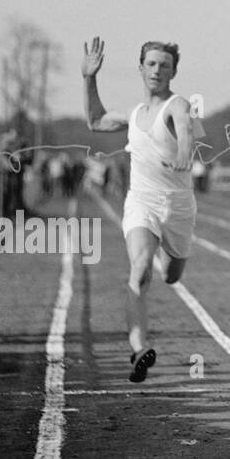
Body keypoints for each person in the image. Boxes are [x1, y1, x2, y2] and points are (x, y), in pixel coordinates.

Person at [82, 37, 204, 383]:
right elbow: (95, 121)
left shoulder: (179, 105)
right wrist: (89, 78)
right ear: (140, 68)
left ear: (174, 71)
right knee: (139, 271)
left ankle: (168, 257)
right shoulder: (135, 115)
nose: (157, 70)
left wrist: (183, 155)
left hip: (178, 207)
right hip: (142, 203)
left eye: (164, 65)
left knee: (171, 276)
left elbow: (187, 131)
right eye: (151, 63)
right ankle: (139, 348)